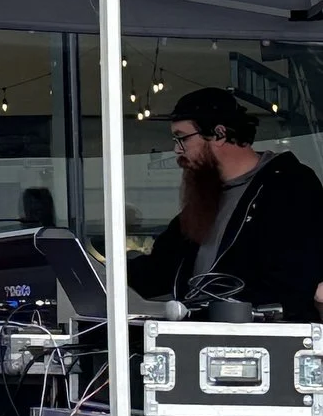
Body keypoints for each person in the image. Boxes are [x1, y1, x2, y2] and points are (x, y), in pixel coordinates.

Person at [134, 87, 323, 314]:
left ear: (219, 134)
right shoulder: (207, 197)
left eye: (182, 138)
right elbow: (160, 269)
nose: (177, 150)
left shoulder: (289, 186)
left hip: (258, 337)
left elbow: (294, 278)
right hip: (202, 332)